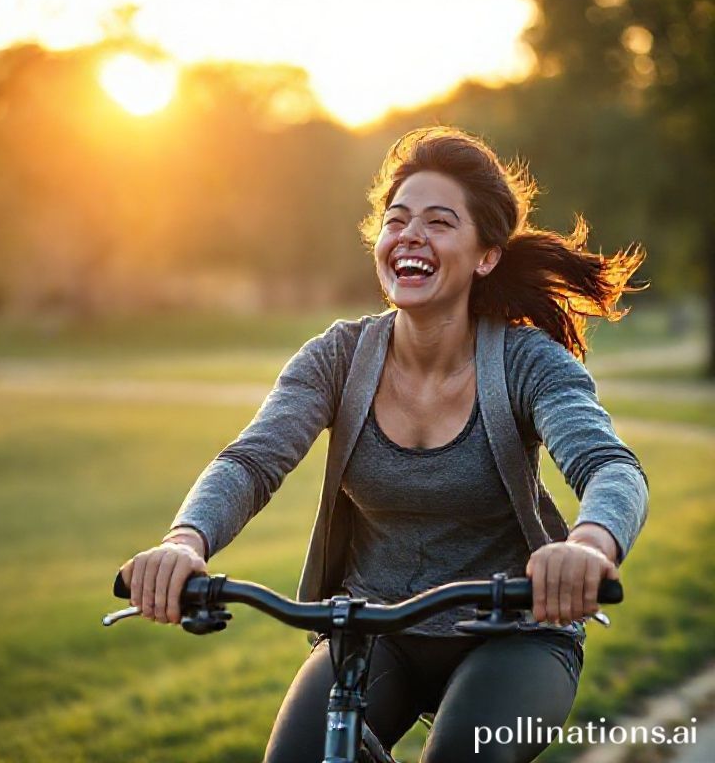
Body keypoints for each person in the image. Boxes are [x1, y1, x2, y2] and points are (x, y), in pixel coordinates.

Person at [120, 127, 649, 762]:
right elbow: (254, 460)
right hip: (371, 634)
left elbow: (609, 466)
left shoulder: (527, 362)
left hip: (515, 631)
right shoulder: (337, 358)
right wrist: (186, 540)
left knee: (461, 755)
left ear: (486, 255)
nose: (411, 236)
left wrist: (589, 545)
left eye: (440, 222)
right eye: (397, 220)